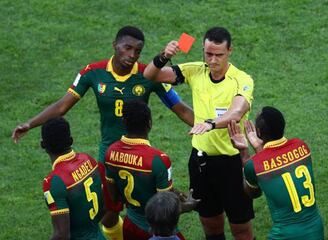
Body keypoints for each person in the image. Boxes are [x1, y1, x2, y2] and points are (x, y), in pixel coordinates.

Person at [12, 25, 194, 163]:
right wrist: (30, 123)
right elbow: (61, 106)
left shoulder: (149, 75)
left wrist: (211, 126)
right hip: (108, 154)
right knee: (108, 210)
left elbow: (182, 110)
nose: (132, 55)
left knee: (140, 209)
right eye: (127, 48)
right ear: (115, 45)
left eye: (137, 51)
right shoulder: (92, 72)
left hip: (138, 156)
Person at [144, 27, 255, 240]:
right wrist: (164, 56)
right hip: (201, 163)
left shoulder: (242, 79)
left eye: (219, 55)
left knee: (241, 229)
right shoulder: (195, 70)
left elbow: (237, 112)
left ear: (230, 51)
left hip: (233, 162)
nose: (212, 60)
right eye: (208, 54)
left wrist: (210, 124)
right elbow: (150, 75)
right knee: (211, 225)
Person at [104, 100, 197, 240]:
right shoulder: (158, 159)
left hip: (130, 225)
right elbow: (165, 211)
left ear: (123, 122)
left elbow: (115, 197)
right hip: (157, 231)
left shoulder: (110, 152)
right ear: (149, 124)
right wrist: (187, 206)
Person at [228, 106, 324, 240]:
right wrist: (257, 146)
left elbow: (253, 193)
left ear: (259, 132)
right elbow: (277, 166)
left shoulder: (254, 165)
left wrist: (244, 153)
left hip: (285, 234)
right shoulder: (302, 146)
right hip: (316, 229)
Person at [41, 117, 109, 239]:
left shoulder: (53, 181)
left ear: (43, 145)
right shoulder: (89, 160)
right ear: (71, 140)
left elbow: (62, 235)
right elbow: (104, 207)